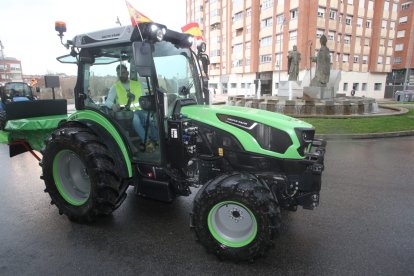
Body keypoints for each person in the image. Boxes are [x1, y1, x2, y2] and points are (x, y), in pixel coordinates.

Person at [105, 64, 158, 151]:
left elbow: (151, 91)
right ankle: (147, 142)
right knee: (135, 118)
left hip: (141, 112)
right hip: (126, 116)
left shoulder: (138, 84)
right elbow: (107, 101)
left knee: (152, 117)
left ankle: (156, 140)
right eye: (119, 73)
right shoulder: (115, 87)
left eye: (123, 72)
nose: (121, 75)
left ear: (127, 73)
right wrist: (113, 105)